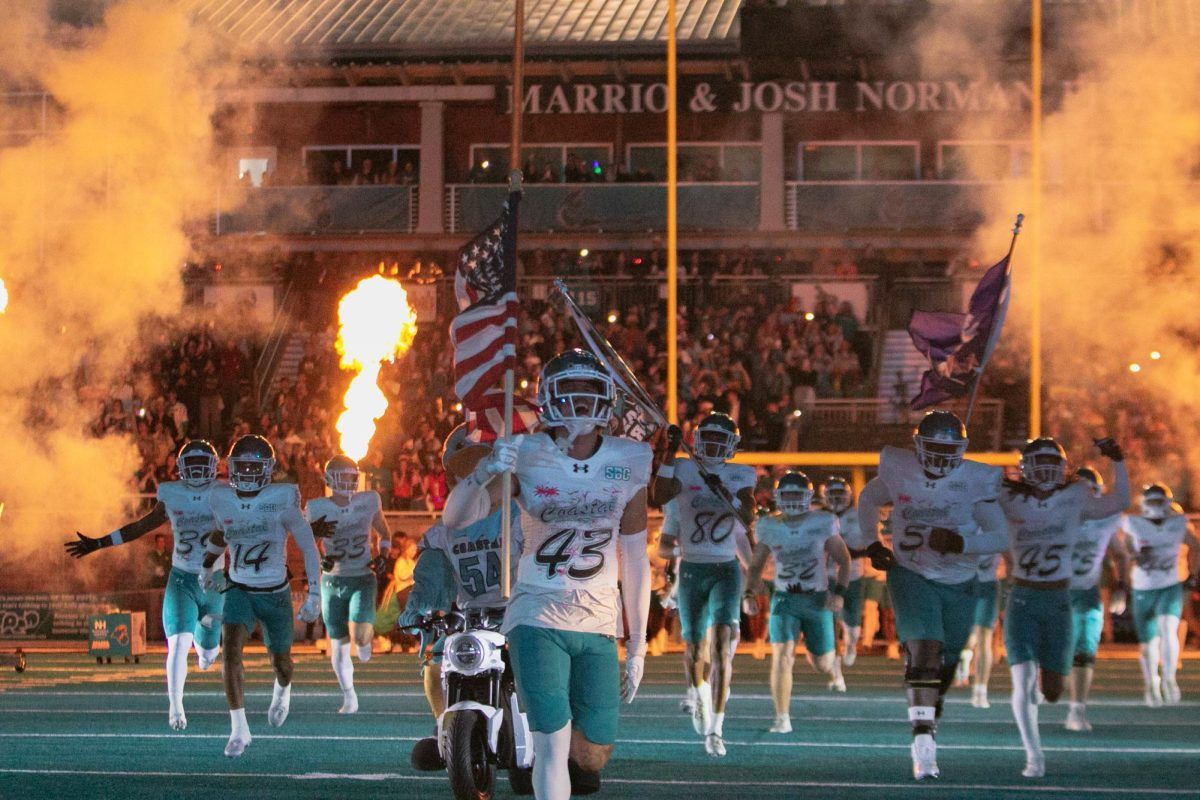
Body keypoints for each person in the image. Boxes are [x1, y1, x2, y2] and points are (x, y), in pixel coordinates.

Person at [443, 349, 652, 800]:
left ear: (606, 399)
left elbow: (636, 557)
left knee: (591, 754)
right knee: (551, 746)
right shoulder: (527, 453)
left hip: (598, 619)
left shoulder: (630, 458)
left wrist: (638, 646)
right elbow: (455, 520)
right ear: (548, 399)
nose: (579, 403)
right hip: (537, 611)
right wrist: (484, 471)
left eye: (589, 391)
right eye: (569, 392)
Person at [856, 410, 1008, 781]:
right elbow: (867, 498)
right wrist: (872, 542)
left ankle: (927, 718)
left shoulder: (977, 479)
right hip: (911, 572)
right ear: (917, 446)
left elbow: (1002, 537)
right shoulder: (899, 468)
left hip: (961, 579)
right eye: (933, 449)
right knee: (923, 650)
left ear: (961, 449)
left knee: (947, 662)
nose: (940, 458)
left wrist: (961, 542)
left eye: (947, 450)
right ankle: (923, 743)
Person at [65, 440, 226, 731]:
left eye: (204, 466)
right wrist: (100, 542)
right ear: (181, 470)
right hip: (182, 578)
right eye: (193, 466)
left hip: (215, 582)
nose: (199, 472)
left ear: (214, 468)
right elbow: (140, 527)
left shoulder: (224, 494)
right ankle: (175, 707)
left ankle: (206, 653)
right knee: (178, 644)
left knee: (208, 654)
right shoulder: (173, 494)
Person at [997, 437, 1128, 778]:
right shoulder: (1008, 496)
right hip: (1023, 597)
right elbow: (967, 499)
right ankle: (1033, 755)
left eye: (1051, 463)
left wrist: (1118, 462)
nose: (1044, 470)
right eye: (1037, 462)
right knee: (1023, 680)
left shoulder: (1074, 497)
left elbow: (1119, 501)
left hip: (1059, 600)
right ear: (1024, 467)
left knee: (1052, 691)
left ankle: (1047, 702)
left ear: (1064, 468)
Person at [400, 425, 523, 770]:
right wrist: (419, 608)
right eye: (463, 469)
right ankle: (446, 730)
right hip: (473, 616)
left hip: (519, 610)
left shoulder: (518, 515)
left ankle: (546, 732)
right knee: (436, 660)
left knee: (538, 663)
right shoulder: (444, 531)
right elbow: (431, 577)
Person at [200, 435, 323, 758]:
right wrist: (207, 565)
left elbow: (309, 548)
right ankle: (239, 729)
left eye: (256, 466)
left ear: (268, 469)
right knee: (230, 651)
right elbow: (220, 532)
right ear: (232, 468)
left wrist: (315, 594)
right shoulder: (221, 498)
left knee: (281, 664)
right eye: (243, 466)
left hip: (275, 594)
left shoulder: (282, 499)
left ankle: (283, 689)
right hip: (239, 588)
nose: (249, 473)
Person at [654, 413, 756, 756]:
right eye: (707, 438)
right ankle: (696, 694)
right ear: (698, 439)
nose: (713, 446)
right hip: (692, 570)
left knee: (722, 648)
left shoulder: (741, 473)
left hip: (725, 569)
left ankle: (716, 728)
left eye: (719, 439)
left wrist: (723, 490)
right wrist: (668, 455)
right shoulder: (685, 468)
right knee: (695, 649)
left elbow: (748, 515)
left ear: (731, 445)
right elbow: (662, 493)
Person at [747, 471, 851, 734]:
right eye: (788, 494)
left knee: (822, 664)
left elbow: (844, 560)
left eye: (797, 495)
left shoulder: (823, 521)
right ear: (779, 497)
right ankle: (782, 717)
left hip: (816, 600)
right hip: (784, 599)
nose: (792, 500)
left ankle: (825, 657)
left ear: (808, 497)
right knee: (781, 658)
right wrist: (749, 592)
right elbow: (756, 564)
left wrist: (839, 591)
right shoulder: (769, 525)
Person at [305, 454, 392, 714]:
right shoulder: (316, 507)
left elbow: (384, 532)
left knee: (361, 637)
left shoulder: (368, 500)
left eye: (352, 477)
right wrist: (320, 557)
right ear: (330, 479)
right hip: (332, 582)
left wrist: (384, 554)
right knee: (338, 642)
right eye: (342, 477)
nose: (348, 482)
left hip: (362, 576)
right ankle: (349, 695)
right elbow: (305, 542)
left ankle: (366, 643)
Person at [1124, 483, 1200, 707]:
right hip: (1143, 586)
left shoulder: (1178, 523)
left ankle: (1169, 678)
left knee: (1168, 630)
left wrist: (1193, 574)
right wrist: (1134, 555)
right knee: (1149, 642)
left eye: (1159, 501)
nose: (1156, 506)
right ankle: (1152, 682)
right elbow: (1127, 546)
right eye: (1152, 501)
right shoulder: (1134, 523)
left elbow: (1196, 545)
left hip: (1169, 584)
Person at [1066, 466, 1130, 731]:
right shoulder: (1056, 515)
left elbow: (1121, 554)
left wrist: (1121, 585)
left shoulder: (1106, 521)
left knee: (1084, 653)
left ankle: (1077, 709)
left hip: (1087, 591)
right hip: (1053, 591)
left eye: (1090, 491)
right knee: (1055, 656)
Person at [821, 476, 863, 675]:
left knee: (852, 619)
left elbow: (871, 545)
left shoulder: (859, 515)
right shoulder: (819, 517)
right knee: (829, 618)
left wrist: (850, 553)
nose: (836, 499)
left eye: (840, 494)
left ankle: (852, 644)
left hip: (852, 574)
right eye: (833, 494)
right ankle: (835, 663)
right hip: (827, 575)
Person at [956, 553, 1001, 709]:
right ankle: (964, 658)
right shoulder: (964, 528)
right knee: (966, 636)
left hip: (987, 585)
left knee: (984, 637)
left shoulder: (998, 529)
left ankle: (980, 691)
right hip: (965, 585)